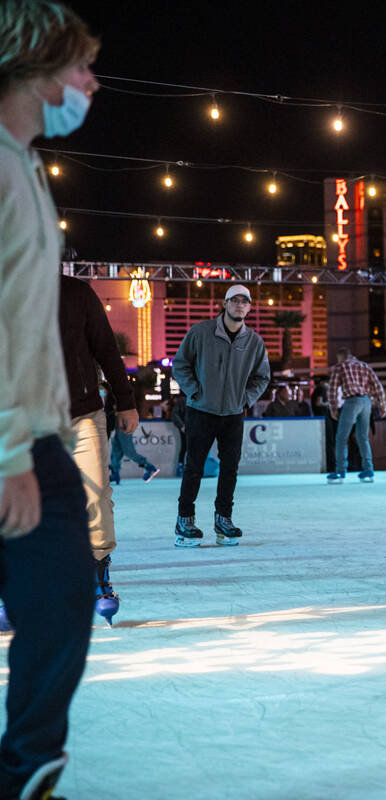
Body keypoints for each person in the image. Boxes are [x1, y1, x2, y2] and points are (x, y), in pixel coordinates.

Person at [0, 3, 99, 795]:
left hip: (36, 431)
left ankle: (29, 764)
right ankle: (27, 764)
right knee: (62, 590)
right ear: (33, 69)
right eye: (79, 68)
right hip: (10, 439)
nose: (90, 84)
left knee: (62, 593)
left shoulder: (24, 166)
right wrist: (9, 452)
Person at [59, 275, 139, 624]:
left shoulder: (77, 292)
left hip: (82, 413)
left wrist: (126, 401)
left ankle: (97, 574)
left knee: (95, 494)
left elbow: (106, 347)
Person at [172, 284, 271, 546]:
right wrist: (194, 392)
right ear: (224, 304)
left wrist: (245, 399)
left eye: (245, 301)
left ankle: (223, 519)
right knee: (194, 466)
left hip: (233, 414)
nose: (240, 305)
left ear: (249, 307)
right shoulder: (201, 332)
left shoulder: (254, 342)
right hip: (201, 410)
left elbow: (262, 377)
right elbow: (180, 364)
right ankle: (185, 519)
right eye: (235, 300)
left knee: (230, 469)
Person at [326, 348, 385, 484]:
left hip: (351, 401)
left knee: (341, 437)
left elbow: (332, 388)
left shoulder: (340, 366)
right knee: (362, 437)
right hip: (366, 401)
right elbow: (377, 385)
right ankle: (369, 469)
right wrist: (382, 406)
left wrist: (333, 408)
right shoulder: (364, 366)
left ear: (341, 357)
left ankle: (340, 471)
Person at [108, 406, 157, 484]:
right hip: (118, 418)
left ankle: (148, 466)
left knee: (128, 450)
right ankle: (115, 473)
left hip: (125, 418)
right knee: (116, 448)